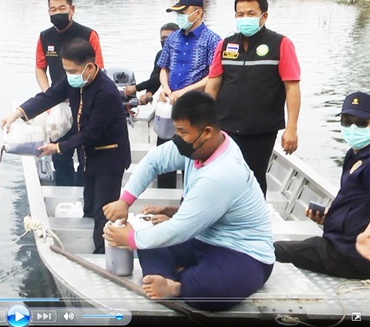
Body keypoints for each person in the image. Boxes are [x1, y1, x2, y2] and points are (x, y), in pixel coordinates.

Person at [102, 91, 274, 311]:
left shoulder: (221, 174)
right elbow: (154, 161)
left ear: (207, 132)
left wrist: (130, 239)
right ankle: (167, 279)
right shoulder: (199, 146)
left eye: (182, 132)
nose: (177, 138)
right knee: (150, 240)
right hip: (203, 238)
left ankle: (178, 285)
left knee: (207, 290)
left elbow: (179, 229)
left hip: (244, 252)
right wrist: (124, 201)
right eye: (176, 130)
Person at [3, 38, 131, 255]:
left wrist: (58, 147)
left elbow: (91, 133)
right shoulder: (75, 81)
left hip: (110, 157)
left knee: (104, 211)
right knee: (89, 205)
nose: (69, 75)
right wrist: (19, 113)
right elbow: (48, 96)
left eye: (73, 70)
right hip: (89, 157)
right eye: (66, 70)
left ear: (90, 67)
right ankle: (89, 248)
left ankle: (103, 254)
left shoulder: (106, 92)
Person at [205, 0, 300, 196]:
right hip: (225, 127)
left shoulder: (281, 44)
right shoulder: (226, 44)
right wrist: (205, 121)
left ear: (263, 16)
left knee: (253, 180)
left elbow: (292, 87)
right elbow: (212, 85)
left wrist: (291, 128)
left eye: (250, 13)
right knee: (220, 179)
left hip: (261, 130)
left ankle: (254, 225)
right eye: (240, 14)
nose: (244, 18)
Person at [274, 91, 370, 279]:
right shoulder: (354, 155)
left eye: (361, 123)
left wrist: (366, 237)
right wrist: (329, 217)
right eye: (346, 121)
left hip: (351, 254)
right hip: (337, 242)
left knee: (274, 250)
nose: (352, 127)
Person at [35, 0, 104, 187]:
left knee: (86, 154)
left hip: (85, 103)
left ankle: (86, 198)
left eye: (62, 9)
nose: (57, 13)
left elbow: (98, 68)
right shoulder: (44, 37)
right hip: (58, 106)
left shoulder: (88, 35)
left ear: (72, 10)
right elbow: (40, 69)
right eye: (53, 10)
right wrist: (48, 94)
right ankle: (64, 196)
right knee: (60, 155)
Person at [122, 23, 180, 189]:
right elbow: (156, 77)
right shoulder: (161, 55)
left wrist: (137, 87)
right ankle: (165, 189)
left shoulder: (186, 54)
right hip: (167, 108)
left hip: (185, 106)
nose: (165, 41)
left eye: (169, 37)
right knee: (164, 150)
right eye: (162, 38)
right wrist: (148, 93)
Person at [158, 0, 221, 104]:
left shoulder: (212, 40)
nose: (179, 17)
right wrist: (165, 88)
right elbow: (164, 68)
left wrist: (184, 91)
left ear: (198, 12)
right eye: (177, 13)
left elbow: (213, 76)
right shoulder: (172, 38)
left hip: (196, 102)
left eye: (183, 12)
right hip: (170, 100)